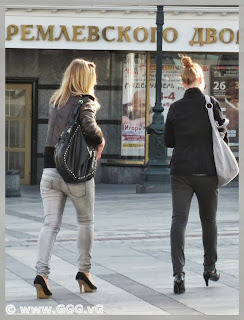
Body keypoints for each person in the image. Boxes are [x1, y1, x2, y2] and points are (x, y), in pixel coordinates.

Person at [34, 58, 105, 299]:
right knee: (85, 222)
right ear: (86, 80)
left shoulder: (56, 101)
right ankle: (84, 273)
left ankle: (41, 275)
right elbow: (88, 125)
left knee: (50, 225)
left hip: (49, 171)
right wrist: (101, 138)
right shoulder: (85, 102)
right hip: (75, 173)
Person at [164, 55, 228, 294]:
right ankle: (209, 268)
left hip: (180, 171)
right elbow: (220, 134)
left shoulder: (175, 108)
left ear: (183, 83)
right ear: (201, 80)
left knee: (178, 220)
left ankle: (178, 273)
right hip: (207, 171)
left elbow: (169, 141)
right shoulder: (211, 104)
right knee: (208, 221)